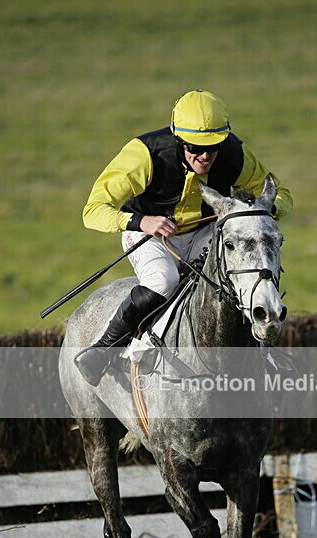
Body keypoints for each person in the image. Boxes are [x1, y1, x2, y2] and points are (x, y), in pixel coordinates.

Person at [75, 89, 293, 385]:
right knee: (163, 281)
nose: (205, 156)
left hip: (204, 232)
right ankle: (103, 349)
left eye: (213, 147)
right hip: (149, 236)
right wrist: (142, 221)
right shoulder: (144, 154)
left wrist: (267, 208)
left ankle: (263, 356)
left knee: (239, 277)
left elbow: (280, 192)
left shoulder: (234, 153)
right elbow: (93, 210)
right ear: (179, 140)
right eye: (195, 148)